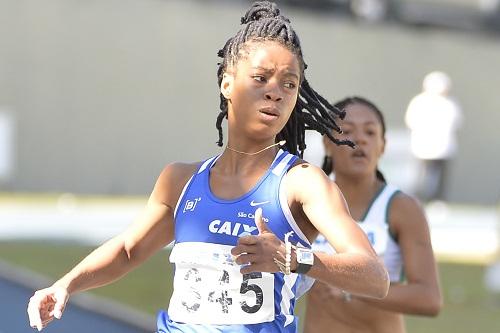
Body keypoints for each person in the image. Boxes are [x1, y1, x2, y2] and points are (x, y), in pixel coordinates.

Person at [26, 3, 389, 332]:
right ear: (227, 82)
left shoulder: (302, 183)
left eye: (289, 84)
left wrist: (292, 258)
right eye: (260, 78)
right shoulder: (180, 180)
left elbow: (374, 276)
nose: (276, 92)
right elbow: (127, 250)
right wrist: (65, 285)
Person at [304, 96, 442, 333]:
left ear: (382, 145)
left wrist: (350, 283)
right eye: (347, 130)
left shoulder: (402, 208)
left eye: (370, 133)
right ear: (327, 142)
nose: (360, 139)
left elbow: (429, 298)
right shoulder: (307, 199)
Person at [405, 71, 463, 202]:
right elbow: (411, 121)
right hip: (423, 147)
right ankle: (418, 199)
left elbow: (457, 123)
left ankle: (437, 200)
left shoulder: (451, 103)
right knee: (421, 176)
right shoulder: (419, 101)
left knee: (441, 176)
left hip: (445, 147)